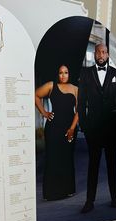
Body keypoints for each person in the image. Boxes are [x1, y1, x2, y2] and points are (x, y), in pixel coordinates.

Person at [78, 43, 116, 213]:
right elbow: (81, 102)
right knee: (94, 166)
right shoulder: (86, 74)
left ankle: (115, 198)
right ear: (95, 53)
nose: (101, 54)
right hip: (94, 129)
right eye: (98, 51)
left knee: (112, 164)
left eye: (104, 52)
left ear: (107, 55)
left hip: (112, 128)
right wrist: (84, 126)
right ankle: (89, 201)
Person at [35, 65, 78, 200]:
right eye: (60, 73)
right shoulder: (51, 85)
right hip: (53, 129)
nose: (63, 75)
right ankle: (51, 193)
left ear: (69, 74)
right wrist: (44, 113)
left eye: (66, 72)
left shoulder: (76, 89)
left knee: (66, 158)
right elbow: (35, 95)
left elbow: (79, 111)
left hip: (69, 129)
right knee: (53, 158)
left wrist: (72, 128)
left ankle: (67, 189)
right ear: (57, 74)